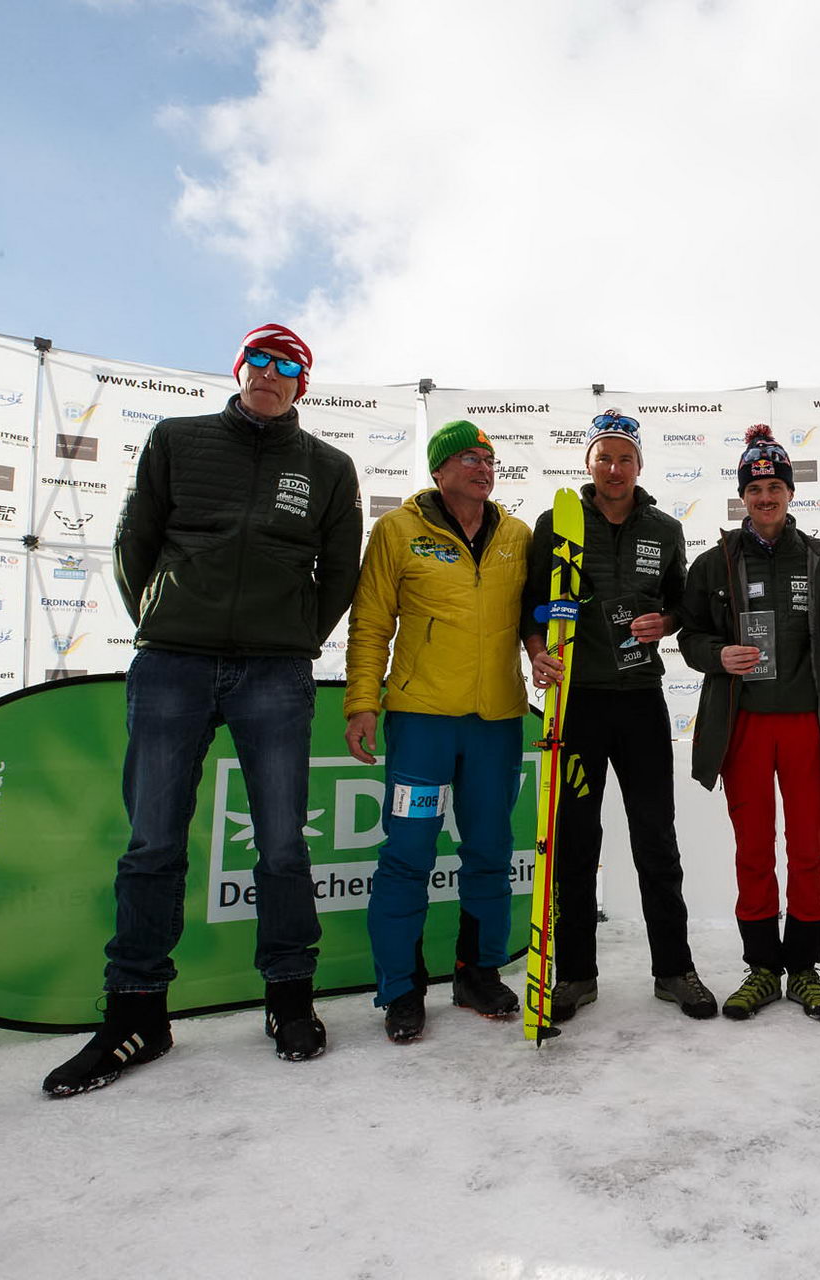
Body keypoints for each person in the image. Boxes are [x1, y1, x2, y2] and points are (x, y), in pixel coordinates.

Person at [43, 323, 362, 1097]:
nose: (272, 373)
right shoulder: (176, 439)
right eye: (261, 359)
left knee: (284, 844)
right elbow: (135, 542)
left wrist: (291, 639)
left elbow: (340, 571)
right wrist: (164, 618)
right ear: (240, 367)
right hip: (172, 666)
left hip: (274, 672)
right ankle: (137, 1014)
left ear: (303, 386)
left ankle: (289, 997)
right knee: (153, 843)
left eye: (290, 366)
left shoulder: (328, 466)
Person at [521, 409, 716, 1021]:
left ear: (639, 465)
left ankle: (674, 970)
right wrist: (536, 652)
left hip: (639, 701)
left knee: (656, 837)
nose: (614, 468)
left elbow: (682, 601)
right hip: (576, 704)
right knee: (576, 841)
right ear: (588, 463)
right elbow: (529, 604)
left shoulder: (663, 527)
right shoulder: (557, 522)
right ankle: (576, 975)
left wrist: (670, 622)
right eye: (603, 457)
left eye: (625, 458)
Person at [342, 420, 534, 1043]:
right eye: (470, 458)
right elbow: (371, 622)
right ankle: (401, 987)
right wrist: (362, 702)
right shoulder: (398, 530)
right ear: (439, 470)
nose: (484, 467)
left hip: (498, 724)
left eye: (490, 459)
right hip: (422, 722)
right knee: (407, 855)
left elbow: (541, 617)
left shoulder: (518, 535)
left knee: (489, 852)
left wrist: (544, 658)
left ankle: (478, 971)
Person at [677, 425, 820, 1022]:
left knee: (807, 850)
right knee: (753, 850)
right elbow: (690, 636)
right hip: (744, 724)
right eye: (756, 488)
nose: (766, 497)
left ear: (790, 492)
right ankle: (761, 968)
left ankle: (803, 968)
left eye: (776, 485)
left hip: (806, 724)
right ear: (742, 496)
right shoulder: (715, 562)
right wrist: (716, 655)